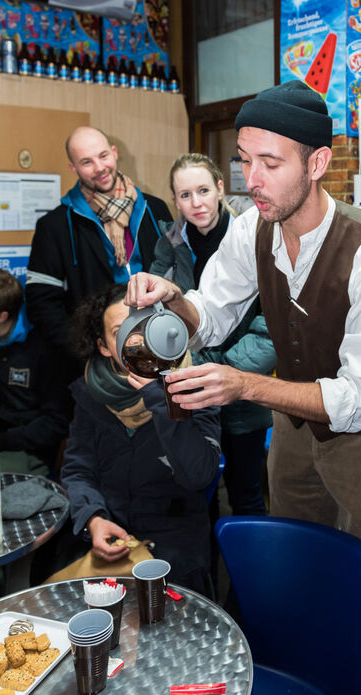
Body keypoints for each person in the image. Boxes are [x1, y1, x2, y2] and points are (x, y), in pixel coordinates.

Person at [125, 81, 361, 694]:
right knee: (294, 563)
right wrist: (171, 309)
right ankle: (297, 673)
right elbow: (216, 308)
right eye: (244, 160)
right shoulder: (252, 226)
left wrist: (243, 385)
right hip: (293, 425)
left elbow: (357, 398)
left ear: (316, 164)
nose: (249, 179)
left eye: (269, 163)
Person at [57, 283, 221, 595]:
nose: (137, 340)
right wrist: (93, 518)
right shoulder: (90, 394)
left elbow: (197, 474)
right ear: (104, 346)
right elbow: (78, 470)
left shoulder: (199, 387)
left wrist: (160, 398)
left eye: (146, 326)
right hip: (110, 526)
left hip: (174, 535)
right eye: (121, 330)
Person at [149, 152, 277, 517]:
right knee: (196, 498)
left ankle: (248, 575)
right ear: (174, 199)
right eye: (185, 195)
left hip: (243, 388)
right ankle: (200, 576)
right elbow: (160, 318)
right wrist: (196, 369)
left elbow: (270, 328)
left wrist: (221, 369)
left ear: (220, 188)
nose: (196, 203)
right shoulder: (169, 246)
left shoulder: (254, 237)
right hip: (190, 389)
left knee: (246, 496)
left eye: (203, 190)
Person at [25, 125, 172, 378]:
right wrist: (86, 352)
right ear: (73, 168)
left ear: (114, 153)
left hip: (158, 346)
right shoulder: (55, 226)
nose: (100, 168)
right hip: (95, 363)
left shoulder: (155, 209)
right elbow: (42, 304)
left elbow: (177, 277)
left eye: (103, 156)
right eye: (87, 162)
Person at [0, 270, 72, 475]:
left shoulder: (46, 349)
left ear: (1, 316)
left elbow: (56, 423)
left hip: (23, 448)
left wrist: (0, 442)